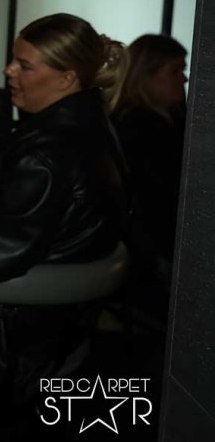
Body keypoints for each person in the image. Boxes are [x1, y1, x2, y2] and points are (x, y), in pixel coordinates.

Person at [0, 14, 128, 423]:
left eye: (25, 65)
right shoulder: (95, 126)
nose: (8, 71)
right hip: (57, 337)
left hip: (0, 345)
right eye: (13, 59)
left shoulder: (45, 155)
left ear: (67, 78)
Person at [112, 34, 187, 329]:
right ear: (147, 74)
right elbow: (158, 200)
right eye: (175, 71)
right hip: (149, 250)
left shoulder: (174, 119)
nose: (184, 79)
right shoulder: (137, 127)